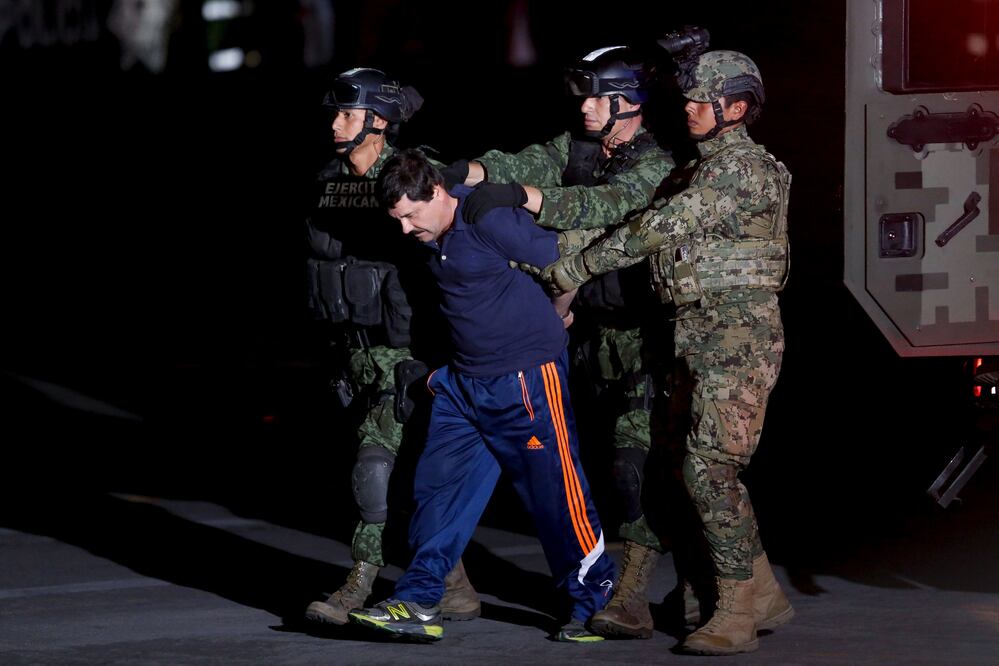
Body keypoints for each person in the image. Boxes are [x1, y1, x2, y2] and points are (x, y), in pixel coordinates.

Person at [542, 49, 794, 655]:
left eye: (700, 99)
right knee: (684, 464)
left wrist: (578, 266)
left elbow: (659, 227)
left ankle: (736, 612)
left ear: (734, 108)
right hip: (694, 329)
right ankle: (762, 592)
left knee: (710, 469)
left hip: (737, 334)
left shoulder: (745, 170)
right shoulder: (696, 168)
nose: (687, 108)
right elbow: (644, 214)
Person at [445, 46, 680, 639]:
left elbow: (607, 202)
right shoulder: (574, 147)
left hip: (640, 341)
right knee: (582, 469)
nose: (586, 105)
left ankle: (628, 597)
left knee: (635, 471)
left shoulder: (657, 163)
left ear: (629, 101)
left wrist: (526, 198)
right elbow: (513, 163)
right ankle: (738, 586)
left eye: (598, 95)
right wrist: (458, 173)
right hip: (578, 337)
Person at [347, 148, 616, 643]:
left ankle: (591, 603)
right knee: (437, 493)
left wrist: (556, 315)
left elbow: (568, 261)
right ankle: (419, 597)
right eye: (397, 220)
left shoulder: (486, 217)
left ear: (436, 193)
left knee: (556, 496)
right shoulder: (432, 229)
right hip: (463, 384)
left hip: (525, 380)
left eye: (410, 215)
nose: (405, 229)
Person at [303, 67, 480, 627]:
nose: (335, 124)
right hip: (349, 351)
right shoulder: (329, 177)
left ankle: (359, 580)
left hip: (403, 352)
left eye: (348, 115)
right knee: (396, 477)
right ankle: (452, 584)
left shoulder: (412, 177)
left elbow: (459, 258)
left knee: (374, 469)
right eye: (335, 113)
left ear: (380, 122)